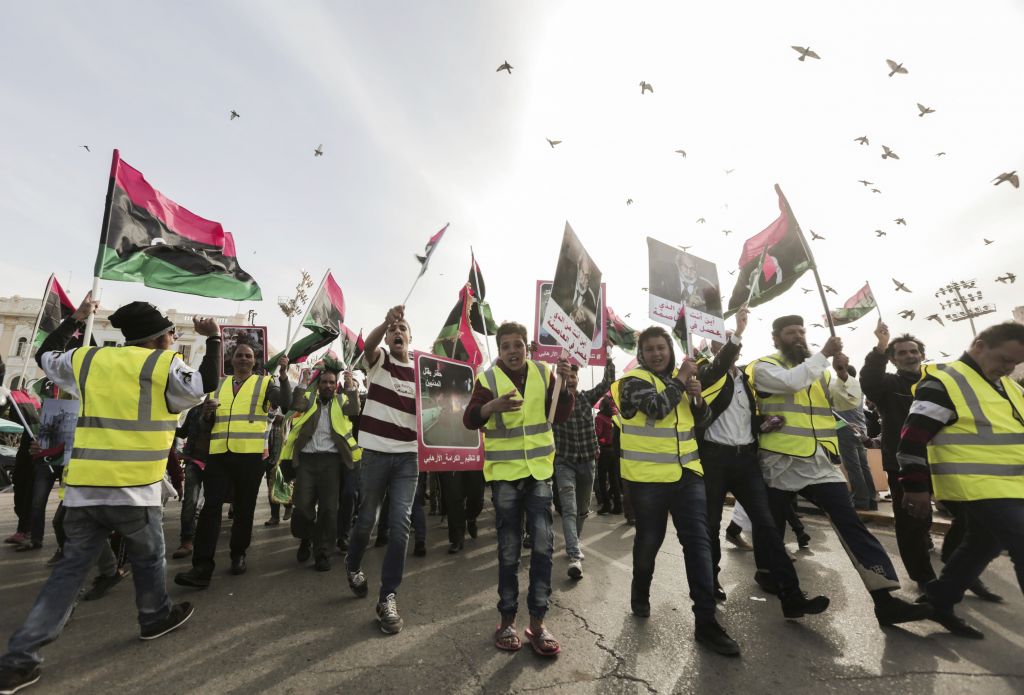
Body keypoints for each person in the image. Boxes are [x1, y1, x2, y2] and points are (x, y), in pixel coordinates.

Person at [0, 296, 218, 694]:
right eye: (171, 333)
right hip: (135, 491)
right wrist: (215, 340)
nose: (173, 338)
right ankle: (153, 617)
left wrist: (75, 319)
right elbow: (204, 386)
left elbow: (45, 354)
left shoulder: (88, 359)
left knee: (68, 574)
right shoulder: (164, 365)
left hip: (85, 491)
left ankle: (19, 660)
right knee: (149, 558)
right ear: (159, 338)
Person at [745, 315, 930, 628]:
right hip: (780, 461)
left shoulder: (819, 369)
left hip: (819, 462)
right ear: (776, 338)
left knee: (850, 523)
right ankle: (786, 593)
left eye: (802, 331)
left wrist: (843, 375)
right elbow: (791, 382)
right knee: (772, 531)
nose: (798, 337)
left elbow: (846, 402)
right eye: (791, 333)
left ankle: (884, 600)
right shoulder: (764, 366)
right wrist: (824, 356)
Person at [611, 324, 740, 656]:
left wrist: (697, 399)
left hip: (688, 476)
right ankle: (640, 590)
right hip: (649, 481)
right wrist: (682, 379)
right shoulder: (631, 382)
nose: (656, 353)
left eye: (661, 348)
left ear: (670, 350)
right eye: (650, 349)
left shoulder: (681, 383)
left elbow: (703, 421)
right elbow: (657, 408)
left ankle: (706, 622)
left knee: (699, 543)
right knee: (649, 542)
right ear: (642, 354)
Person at [697, 307, 830, 618]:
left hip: (746, 461)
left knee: (768, 525)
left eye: (729, 342)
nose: (726, 346)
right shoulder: (705, 376)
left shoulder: (746, 378)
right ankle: (710, 581)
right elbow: (716, 373)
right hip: (714, 460)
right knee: (710, 525)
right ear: (712, 348)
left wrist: (764, 423)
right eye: (720, 342)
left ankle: (791, 595)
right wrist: (738, 331)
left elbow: (743, 418)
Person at [897, 322, 1024, 638]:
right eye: (1004, 359)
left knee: (983, 544)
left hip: (1011, 485)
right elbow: (912, 438)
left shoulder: (1007, 386)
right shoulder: (944, 382)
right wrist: (915, 487)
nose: (1008, 368)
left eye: (1015, 363)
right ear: (979, 346)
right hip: (976, 485)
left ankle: (939, 601)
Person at [463, 321, 574, 656]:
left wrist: (565, 388)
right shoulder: (487, 379)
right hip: (505, 477)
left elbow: (559, 415)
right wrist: (490, 407)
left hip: (539, 473)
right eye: (506, 346)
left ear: (527, 347)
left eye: (518, 345)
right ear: (499, 350)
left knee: (542, 546)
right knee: (510, 550)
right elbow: (470, 418)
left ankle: (537, 625)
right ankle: (507, 622)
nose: (513, 351)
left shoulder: (543, 372)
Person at [174, 340, 291, 588]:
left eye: (248, 356)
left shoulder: (264, 383)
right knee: (210, 509)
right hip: (218, 456)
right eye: (239, 355)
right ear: (231, 359)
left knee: (244, 509)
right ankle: (201, 568)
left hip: (250, 457)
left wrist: (283, 376)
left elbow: (286, 402)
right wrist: (207, 414)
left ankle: (238, 554)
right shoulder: (218, 385)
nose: (244, 359)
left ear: (255, 361)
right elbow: (206, 424)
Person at [344, 305, 421, 635]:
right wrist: (384, 322)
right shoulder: (380, 361)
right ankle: (352, 564)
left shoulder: (422, 371)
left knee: (400, 525)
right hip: (375, 453)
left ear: (411, 338)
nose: (397, 332)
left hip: (408, 458)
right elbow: (369, 346)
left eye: (402, 329)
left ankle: (387, 597)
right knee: (367, 520)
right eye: (393, 330)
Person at [280, 364, 361, 572]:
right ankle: (306, 538)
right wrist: (304, 382)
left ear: (336, 385)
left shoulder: (341, 400)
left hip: (331, 462)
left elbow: (354, 410)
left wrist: (350, 386)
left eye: (332, 382)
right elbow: (296, 404)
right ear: (319, 384)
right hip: (306, 461)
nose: (328, 386)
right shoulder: (309, 399)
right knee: (302, 506)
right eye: (324, 382)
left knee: (328, 509)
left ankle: (322, 553)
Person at [552, 357, 615, 579]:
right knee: (568, 509)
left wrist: (608, 357)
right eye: (565, 376)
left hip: (588, 461)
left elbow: (607, 383)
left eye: (573, 376)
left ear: (578, 379)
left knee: (581, 510)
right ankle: (574, 556)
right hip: (564, 462)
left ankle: (575, 541)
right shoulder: (553, 404)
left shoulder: (587, 398)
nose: (570, 380)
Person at [831, 364, 877, 510]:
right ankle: (872, 499)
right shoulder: (858, 387)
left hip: (846, 430)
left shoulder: (839, 389)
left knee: (853, 468)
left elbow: (838, 415)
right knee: (864, 467)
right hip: (862, 430)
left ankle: (861, 501)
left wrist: (836, 427)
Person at [171, 401, 210, 559]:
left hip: (216, 464)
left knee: (212, 505)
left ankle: (206, 539)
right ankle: (186, 540)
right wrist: (167, 425)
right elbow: (182, 432)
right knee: (190, 503)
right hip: (194, 462)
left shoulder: (225, 412)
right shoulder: (194, 411)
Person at [594, 397, 622, 515]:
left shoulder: (599, 418)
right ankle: (618, 505)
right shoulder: (613, 418)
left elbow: (598, 433)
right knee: (614, 478)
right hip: (614, 450)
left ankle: (606, 504)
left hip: (604, 450)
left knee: (602, 479)